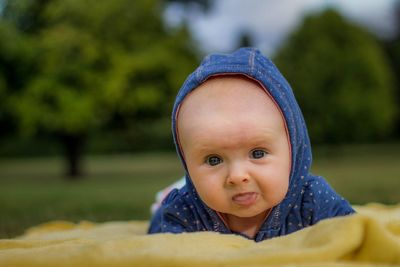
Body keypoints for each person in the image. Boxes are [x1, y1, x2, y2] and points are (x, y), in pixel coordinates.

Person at [148, 47, 355, 241]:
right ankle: (170, 192)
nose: (238, 176)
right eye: (213, 160)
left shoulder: (312, 199)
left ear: (293, 150)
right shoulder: (183, 212)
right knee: (164, 208)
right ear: (187, 163)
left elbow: (355, 234)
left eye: (257, 153)